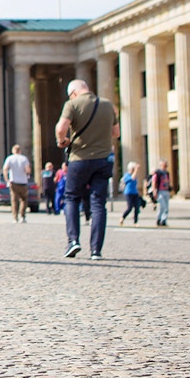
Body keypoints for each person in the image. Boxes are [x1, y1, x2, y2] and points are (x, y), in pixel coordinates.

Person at [55, 79, 119, 260]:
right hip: (103, 159)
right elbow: (116, 133)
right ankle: (96, 250)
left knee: (72, 198)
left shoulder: (72, 104)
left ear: (74, 93)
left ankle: (73, 240)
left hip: (80, 160)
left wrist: (62, 141)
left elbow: (61, 128)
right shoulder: (108, 105)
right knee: (98, 203)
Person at [2, 144, 32, 223]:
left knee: (14, 200)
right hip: (23, 181)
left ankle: (15, 217)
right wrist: (27, 174)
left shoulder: (10, 158)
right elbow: (28, 170)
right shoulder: (24, 158)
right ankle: (22, 216)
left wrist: (6, 179)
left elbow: (5, 169)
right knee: (23, 199)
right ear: (20, 151)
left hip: (13, 181)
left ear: (13, 151)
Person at [150, 159, 172, 226]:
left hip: (166, 191)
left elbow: (168, 181)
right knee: (163, 206)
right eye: (164, 165)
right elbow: (153, 182)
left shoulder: (167, 173)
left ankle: (163, 220)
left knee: (166, 207)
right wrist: (154, 192)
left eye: (166, 165)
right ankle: (159, 219)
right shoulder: (157, 173)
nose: (165, 166)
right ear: (161, 165)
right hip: (160, 191)